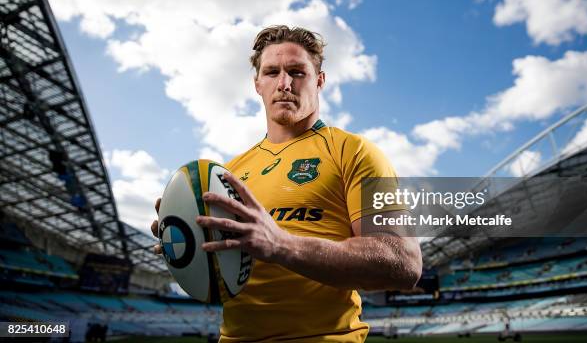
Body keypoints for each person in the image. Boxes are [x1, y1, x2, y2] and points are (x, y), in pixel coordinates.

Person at [151, 25, 422, 342]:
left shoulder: (353, 152)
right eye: (271, 72)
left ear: (319, 80)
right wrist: (187, 242)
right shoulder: (229, 173)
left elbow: (404, 263)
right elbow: (221, 266)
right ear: (257, 84)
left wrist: (280, 245)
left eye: (297, 72)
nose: (284, 84)